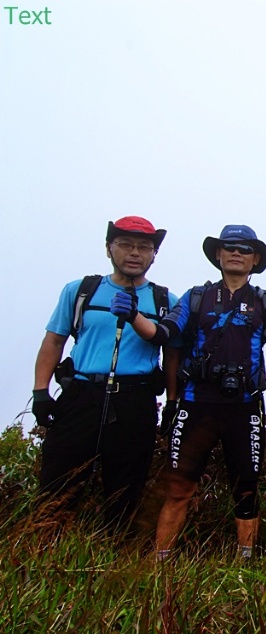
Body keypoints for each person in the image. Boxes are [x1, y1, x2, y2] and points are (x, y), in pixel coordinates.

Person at [112, 224, 266, 558]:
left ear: (255, 259)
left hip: (244, 406)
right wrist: (134, 315)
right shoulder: (196, 297)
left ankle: (245, 565)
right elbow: (163, 333)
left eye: (244, 248)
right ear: (218, 255)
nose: (236, 252)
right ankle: (159, 561)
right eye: (229, 247)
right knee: (179, 487)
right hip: (197, 403)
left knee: (247, 489)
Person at [31, 216, 178, 534]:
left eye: (144, 247)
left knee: (125, 490)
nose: (135, 253)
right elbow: (54, 340)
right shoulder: (81, 291)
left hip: (135, 400)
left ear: (154, 254)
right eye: (125, 244)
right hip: (82, 395)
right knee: (58, 483)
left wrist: (173, 401)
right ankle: (43, 552)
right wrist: (40, 392)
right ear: (109, 248)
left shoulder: (167, 301)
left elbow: (173, 357)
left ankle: (115, 561)